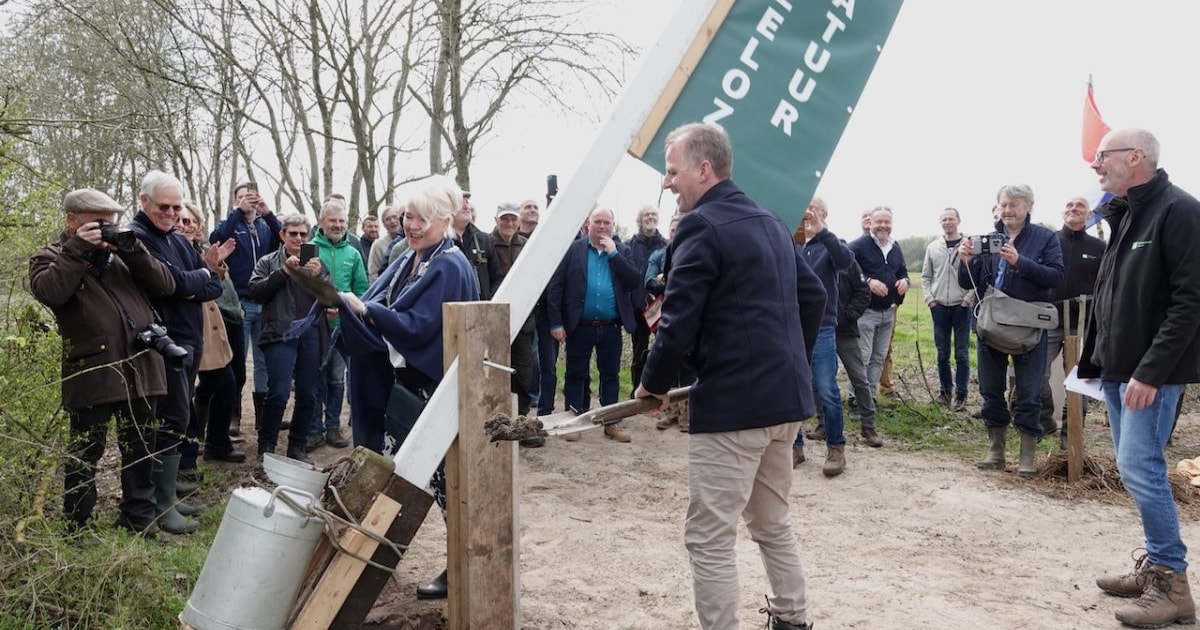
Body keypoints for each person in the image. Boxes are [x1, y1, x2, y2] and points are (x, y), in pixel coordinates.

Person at [635, 122, 823, 630]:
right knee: (771, 522)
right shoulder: (770, 220)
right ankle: (792, 620)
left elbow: (678, 319)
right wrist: (789, 361)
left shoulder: (701, 225)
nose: (667, 182)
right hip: (784, 402)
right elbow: (813, 297)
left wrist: (653, 384)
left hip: (734, 408)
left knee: (709, 537)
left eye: (672, 171)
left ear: (703, 169)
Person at [336, 175, 479, 600]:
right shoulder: (413, 257)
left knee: (442, 481)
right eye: (408, 217)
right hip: (408, 384)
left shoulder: (449, 264)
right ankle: (371, 557)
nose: (412, 226)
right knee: (405, 474)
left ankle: (464, 568)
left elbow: (419, 326)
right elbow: (391, 304)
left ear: (445, 221)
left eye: (421, 219)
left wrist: (368, 312)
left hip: (432, 389)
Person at [1080, 128, 1200, 627]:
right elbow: (1114, 294)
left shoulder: (1179, 210)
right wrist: (1096, 362)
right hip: (1117, 370)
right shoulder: (1126, 214)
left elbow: (1190, 301)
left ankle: (1172, 585)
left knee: (1140, 469)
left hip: (1150, 375)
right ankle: (1156, 567)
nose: (1095, 165)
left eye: (1101, 156)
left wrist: (1150, 372)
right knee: (1136, 470)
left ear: (1135, 157)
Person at [29, 188, 175, 536]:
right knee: (86, 450)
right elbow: (50, 292)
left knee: (141, 446)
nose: (107, 230)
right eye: (99, 224)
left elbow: (166, 284)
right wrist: (78, 249)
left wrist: (133, 250)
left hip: (141, 363)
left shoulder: (120, 256)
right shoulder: (50, 256)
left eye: (112, 223)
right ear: (72, 220)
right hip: (93, 370)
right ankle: (77, 524)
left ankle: (138, 516)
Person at [128, 170, 230, 534]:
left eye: (176, 207)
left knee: (179, 417)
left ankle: (168, 495)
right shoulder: (138, 238)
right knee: (168, 420)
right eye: (164, 207)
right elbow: (173, 285)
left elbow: (211, 287)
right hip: (164, 344)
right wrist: (197, 277)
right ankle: (160, 503)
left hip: (189, 342)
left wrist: (196, 280)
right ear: (143, 201)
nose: (171, 214)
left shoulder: (175, 239)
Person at [957, 184, 1063, 478]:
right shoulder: (987, 240)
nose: (1007, 210)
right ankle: (996, 450)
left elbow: (1055, 277)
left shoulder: (1045, 238)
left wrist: (1019, 261)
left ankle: (1027, 455)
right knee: (990, 390)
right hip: (990, 324)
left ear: (1029, 207)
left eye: (1014, 204)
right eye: (1004, 204)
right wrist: (966, 261)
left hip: (1028, 327)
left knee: (1029, 393)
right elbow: (968, 283)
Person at [547, 206, 641, 443]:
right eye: (597, 222)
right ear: (588, 224)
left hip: (610, 326)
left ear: (613, 226)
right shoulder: (574, 250)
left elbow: (634, 280)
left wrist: (614, 255)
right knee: (575, 373)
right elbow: (556, 287)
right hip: (580, 325)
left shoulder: (622, 251)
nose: (601, 226)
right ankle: (573, 422)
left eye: (606, 222)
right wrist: (556, 322)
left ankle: (611, 423)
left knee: (610, 375)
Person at [249, 213, 328, 464]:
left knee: (308, 394)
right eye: (293, 233)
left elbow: (330, 299)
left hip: (310, 333)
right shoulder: (268, 261)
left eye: (303, 234)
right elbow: (255, 292)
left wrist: (319, 277)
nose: (298, 238)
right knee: (279, 392)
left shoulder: (315, 261)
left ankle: (297, 446)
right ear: (282, 235)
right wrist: (283, 272)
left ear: (309, 236)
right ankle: (267, 446)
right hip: (278, 333)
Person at [209, 181, 280, 438]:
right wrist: (238, 212)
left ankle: (262, 417)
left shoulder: (264, 226)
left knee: (263, 361)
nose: (249, 200)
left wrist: (268, 213)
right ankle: (234, 416)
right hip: (240, 302)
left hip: (265, 300)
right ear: (235, 200)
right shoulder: (230, 224)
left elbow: (282, 238)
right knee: (237, 361)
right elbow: (215, 241)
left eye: (252, 196)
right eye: (243, 197)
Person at [178, 201, 244, 467]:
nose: (186, 226)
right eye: (182, 221)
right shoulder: (173, 249)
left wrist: (214, 266)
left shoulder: (200, 249)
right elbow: (187, 286)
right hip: (189, 328)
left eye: (191, 221)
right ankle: (188, 457)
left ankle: (216, 443)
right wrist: (208, 268)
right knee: (188, 394)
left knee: (225, 384)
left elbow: (218, 287)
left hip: (212, 327)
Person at [795, 197, 858, 476]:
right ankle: (795, 446)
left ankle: (836, 447)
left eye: (813, 210)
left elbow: (845, 261)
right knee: (792, 387)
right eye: (804, 209)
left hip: (822, 327)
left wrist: (822, 231)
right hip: (792, 326)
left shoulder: (832, 244)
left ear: (823, 214)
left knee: (826, 388)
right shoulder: (792, 244)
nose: (807, 215)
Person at [305, 200, 366, 451]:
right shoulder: (309, 248)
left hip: (343, 324)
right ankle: (314, 429)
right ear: (321, 222)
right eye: (333, 221)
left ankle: (333, 426)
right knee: (315, 377)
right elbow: (302, 286)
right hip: (315, 325)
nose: (338, 225)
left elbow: (362, 289)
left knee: (336, 378)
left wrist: (347, 309)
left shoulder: (353, 253)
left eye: (342, 221)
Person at [1042, 196, 1103, 446]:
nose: (1074, 209)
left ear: (1089, 215)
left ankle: (1070, 437)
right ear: (1062, 212)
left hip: (1083, 325)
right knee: (1037, 376)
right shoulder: (1049, 241)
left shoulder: (1099, 247)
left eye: (1080, 206)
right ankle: (1045, 419)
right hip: (1049, 320)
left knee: (1080, 383)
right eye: (1069, 205)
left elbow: (1106, 284)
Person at [487, 202, 541, 446]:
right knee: (497, 374)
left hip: (524, 321)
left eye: (512, 219)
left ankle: (521, 425)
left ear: (518, 221)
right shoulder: (487, 243)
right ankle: (497, 425)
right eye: (504, 219)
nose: (509, 224)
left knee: (523, 373)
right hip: (494, 321)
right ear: (496, 220)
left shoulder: (527, 245)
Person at [849, 207, 909, 400]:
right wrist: (868, 281)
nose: (883, 225)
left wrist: (905, 281)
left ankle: (870, 397)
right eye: (879, 222)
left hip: (888, 312)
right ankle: (855, 398)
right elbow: (845, 271)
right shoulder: (857, 246)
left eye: (887, 222)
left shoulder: (895, 246)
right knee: (863, 357)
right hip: (866, 311)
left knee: (878, 357)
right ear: (871, 223)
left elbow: (902, 271)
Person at [921, 207, 974, 411]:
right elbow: (926, 276)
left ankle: (961, 394)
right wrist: (930, 299)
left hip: (962, 306)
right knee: (942, 352)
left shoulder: (969, 245)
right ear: (940, 222)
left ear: (958, 221)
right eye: (944, 219)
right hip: (940, 306)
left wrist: (968, 299)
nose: (947, 222)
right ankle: (944, 392)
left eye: (951, 219)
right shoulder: (933, 247)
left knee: (962, 353)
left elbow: (976, 275)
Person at [646, 214, 694, 432]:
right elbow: (649, 282)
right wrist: (672, 281)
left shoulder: (694, 252)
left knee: (688, 366)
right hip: (665, 315)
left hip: (690, 315)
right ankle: (671, 412)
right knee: (669, 362)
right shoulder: (659, 255)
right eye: (673, 229)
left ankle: (687, 415)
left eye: (680, 228)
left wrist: (665, 279)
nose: (676, 233)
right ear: (669, 231)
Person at [626, 204, 668, 397]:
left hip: (659, 307)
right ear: (640, 220)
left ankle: (659, 391)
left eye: (653, 214)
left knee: (663, 351)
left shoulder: (666, 245)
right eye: (646, 215)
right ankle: (637, 393)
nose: (650, 217)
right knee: (638, 353)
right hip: (637, 307)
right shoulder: (630, 245)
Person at [452, 194, 494, 299]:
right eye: (461, 203)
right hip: (451, 306)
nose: (466, 207)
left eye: (467, 202)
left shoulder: (484, 239)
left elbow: (496, 277)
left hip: (482, 306)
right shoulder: (439, 241)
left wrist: (489, 300)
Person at [368, 205, 403, 282]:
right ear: (384, 224)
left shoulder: (410, 241)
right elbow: (373, 273)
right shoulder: (378, 245)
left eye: (395, 217)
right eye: (388, 219)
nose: (392, 221)